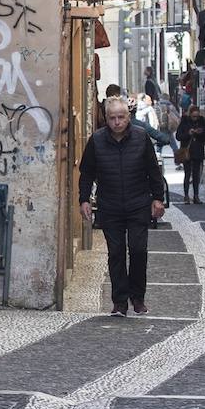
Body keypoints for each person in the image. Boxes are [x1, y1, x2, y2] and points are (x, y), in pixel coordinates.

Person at [78, 97, 167, 316]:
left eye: (121, 117)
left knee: (138, 250)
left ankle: (137, 297)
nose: (117, 122)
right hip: (110, 205)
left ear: (128, 117)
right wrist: (84, 199)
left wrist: (158, 198)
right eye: (112, 118)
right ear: (106, 118)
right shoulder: (97, 140)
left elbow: (153, 170)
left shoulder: (141, 137)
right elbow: (86, 172)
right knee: (116, 253)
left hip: (138, 203)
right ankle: (119, 301)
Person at [175, 105, 205, 204]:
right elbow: (178, 136)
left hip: (198, 151)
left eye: (197, 116)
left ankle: (196, 196)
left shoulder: (202, 121)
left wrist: (200, 133)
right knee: (187, 174)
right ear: (190, 115)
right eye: (194, 116)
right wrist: (188, 133)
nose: (195, 118)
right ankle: (186, 196)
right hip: (187, 151)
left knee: (196, 175)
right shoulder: (184, 121)